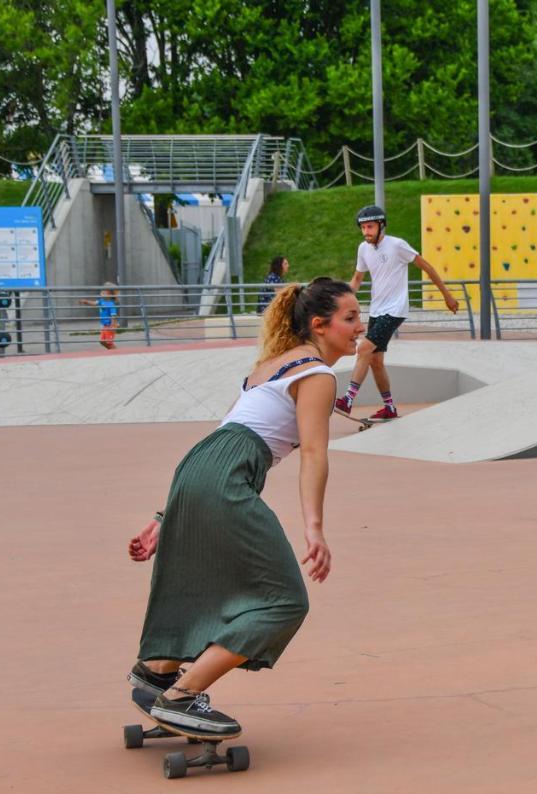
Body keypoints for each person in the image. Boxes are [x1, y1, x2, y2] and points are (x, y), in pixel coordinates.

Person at [125, 278, 363, 733]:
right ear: (319, 324)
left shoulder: (270, 366)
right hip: (226, 473)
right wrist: (314, 527)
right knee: (284, 600)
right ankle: (182, 695)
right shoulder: (316, 375)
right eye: (350, 318)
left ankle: (156, 672)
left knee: (210, 581)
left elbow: (224, 434)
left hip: (198, 466)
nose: (359, 327)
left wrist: (165, 513)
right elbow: (314, 452)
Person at [335, 205, 460, 421]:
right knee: (375, 361)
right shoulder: (363, 249)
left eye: (370, 227)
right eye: (363, 227)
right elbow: (357, 279)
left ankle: (347, 400)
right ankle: (389, 407)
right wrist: (340, 304)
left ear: (381, 226)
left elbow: (427, 267)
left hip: (395, 310)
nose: (366, 232)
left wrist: (447, 296)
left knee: (363, 348)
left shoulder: (397, 245)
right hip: (376, 309)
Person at [79, 285, 119, 349]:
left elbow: (113, 315)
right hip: (104, 325)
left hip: (110, 325)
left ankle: (116, 352)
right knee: (102, 341)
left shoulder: (111, 304)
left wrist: (113, 325)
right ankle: (112, 350)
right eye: (101, 292)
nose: (101, 293)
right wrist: (86, 302)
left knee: (108, 342)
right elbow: (94, 303)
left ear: (110, 295)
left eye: (104, 293)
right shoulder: (101, 301)